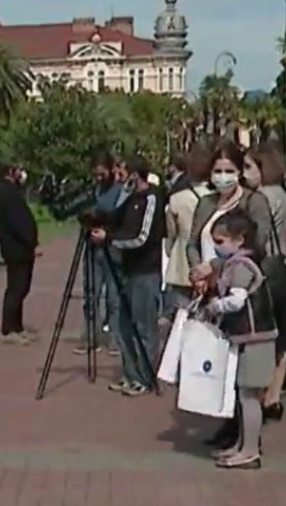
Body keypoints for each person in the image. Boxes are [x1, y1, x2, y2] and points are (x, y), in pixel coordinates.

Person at [186, 142, 274, 447]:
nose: (222, 176)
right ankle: (227, 420)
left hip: (240, 290)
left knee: (243, 369)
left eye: (229, 170)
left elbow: (255, 247)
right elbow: (192, 241)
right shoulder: (206, 203)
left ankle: (245, 434)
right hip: (210, 289)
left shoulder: (253, 201)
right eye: (217, 170)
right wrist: (198, 271)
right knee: (218, 361)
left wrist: (214, 266)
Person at [198, 211, 277, 469]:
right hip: (250, 337)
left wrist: (215, 306)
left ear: (240, 239)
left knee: (249, 396)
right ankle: (243, 445)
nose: (217, 247)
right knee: (244, 395)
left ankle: (250, 450)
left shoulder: (241, 266)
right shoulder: (242, 262)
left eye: (220, 241)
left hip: (255, 338)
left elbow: (237, 301)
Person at [92, 155, 164, 395]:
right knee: (124, 326)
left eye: (123, 174)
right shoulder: (129, 198)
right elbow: (113, 218)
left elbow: (141, 237)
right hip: (126, 270)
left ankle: (144, 376)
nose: (119, 179)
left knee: (143, 327)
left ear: (135, 174)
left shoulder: (152, 198)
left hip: (145, 271)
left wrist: (110, 239)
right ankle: (130, 373)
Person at [243, 143, 286, 418]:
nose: (244, 173)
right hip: (283, 267)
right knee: (281, 338)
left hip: (265, 270)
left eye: (248, 167)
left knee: (262, 335)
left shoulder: (260, 198)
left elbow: (259, 239)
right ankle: (274, 395)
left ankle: (260, 394)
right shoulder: (284, 195)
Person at [76, 153, 124, 355]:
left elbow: (122, 219)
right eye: (95, 175)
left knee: (114, 297)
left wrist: (106, 227)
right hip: (92, 247)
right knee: (91, 294)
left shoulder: (121, 191)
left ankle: (115, 338)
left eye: (102, 174)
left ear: (111, 170)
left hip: (112, 248)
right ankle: (91, 336)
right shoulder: (92, 191)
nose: (98, 178)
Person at [164, 145, 211, 324]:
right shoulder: (216, 197)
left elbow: (171, 233)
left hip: (181, 263)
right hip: (208, 262)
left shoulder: (177, 199)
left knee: (180, 319)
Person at [0, 164, 39, 345]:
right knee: (16, 288)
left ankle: (17, 326)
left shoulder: (12, 190)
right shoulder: (8, 193)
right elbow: (18, 222)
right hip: (16, 248)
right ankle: (9, 328)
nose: (21, 173)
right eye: (18, 170)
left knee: (21, 287)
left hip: (20, 248)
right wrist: (31, 241)